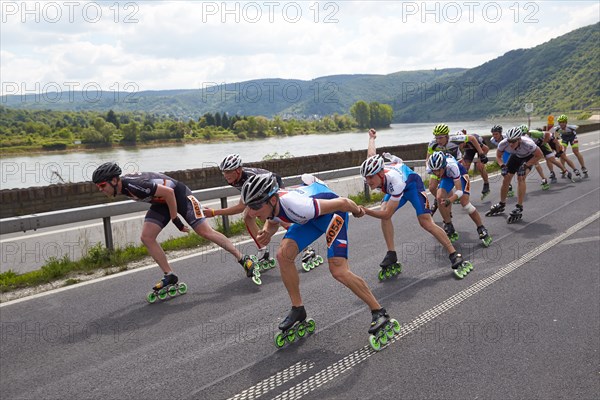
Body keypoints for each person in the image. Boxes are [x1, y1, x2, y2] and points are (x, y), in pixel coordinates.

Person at [241, 173, 398, 350]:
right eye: (250, 206)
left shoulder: (298, 205)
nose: (252, 212)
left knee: (338, 270)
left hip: (332, 215)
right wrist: (268, 232)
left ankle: (379, 312)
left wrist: (357, 211)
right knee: (283, 256)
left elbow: (344, 203)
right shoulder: (273, 205)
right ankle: (298, 309)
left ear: (272, 200)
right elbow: (274, 219)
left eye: (255, 206)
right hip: (310, 219)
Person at [91, 162, 259, 291]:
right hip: (162, 202)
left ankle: (243, 259)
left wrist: (175, 219)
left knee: (204, 231)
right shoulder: (125, 187)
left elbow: (169, 192)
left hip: (180, 196)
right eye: (98, 187)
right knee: (147, 237)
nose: (101, 190)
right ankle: (169, 275)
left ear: (114, 180)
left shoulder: (133, 185)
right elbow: (162, 195)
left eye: (102, 185)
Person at [360, 129, 473, 279]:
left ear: (381, 174)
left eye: (371, 179)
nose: (368, 182)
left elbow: (387, 213)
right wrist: (372, 138)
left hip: (412, 186)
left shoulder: (395, 181)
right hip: (396, 188)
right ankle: (391, 253)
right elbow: (371, 155)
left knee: (425, 222)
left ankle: (454, 254)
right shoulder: (374, 171)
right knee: (383, 212)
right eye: (366, 179)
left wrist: (364, 210)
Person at [427, 151, 492, 247]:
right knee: (439, 197)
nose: (436, 173)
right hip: (446, 176)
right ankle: (449, 225)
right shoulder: (431, 169)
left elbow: (459, 191)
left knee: (465, 203)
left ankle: (481, 228)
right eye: (434, 171)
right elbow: (434, 182)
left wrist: (450, 200)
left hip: (460, 175)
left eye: (438, 170)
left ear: (444, 166)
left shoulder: (452, 167)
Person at [486, 127, 544, 223]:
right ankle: (502, 203)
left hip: (528, 157)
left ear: (519, 139)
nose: (511, 144)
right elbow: (498, 156)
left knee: (521, 177)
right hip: (516, 156)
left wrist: (526, 165)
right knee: (506, 179)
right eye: (509, 141)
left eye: (513, 141)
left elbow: (539, 155)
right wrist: (502, 166)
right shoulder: (503, 143)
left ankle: (519, 207)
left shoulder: (528, 144)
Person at [427, 124, 486, 214]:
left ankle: (445, 200)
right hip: (440, 167)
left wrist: (481, 154)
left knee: (460, 195)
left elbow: (472, 138)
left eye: (441, 138)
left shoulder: (455, 139)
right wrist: (430, 169)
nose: (438, 140)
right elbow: (427, 158)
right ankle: (440, 199)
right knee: (431, 187)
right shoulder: (432, 144)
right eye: (436, 138)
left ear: (447, 136)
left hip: (455, 165)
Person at [458, 130, 491, 200]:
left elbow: (486, 149)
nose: (460, 145)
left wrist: (480, 159)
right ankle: (462, 190)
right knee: (464, 168)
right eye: (458, 144)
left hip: (480, 148)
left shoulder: (472, 140)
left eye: (461, 143)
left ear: (464, 140)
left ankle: (486, 184)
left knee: (480, 166)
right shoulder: (456, 143)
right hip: (470, 150)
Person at [489, 125, 515, 197]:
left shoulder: (507, 137)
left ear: (500, 133)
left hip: (513, 151)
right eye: (493, 134)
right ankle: (509, 186)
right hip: (505, 152)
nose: (494, 136)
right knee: (505, 169)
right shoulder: (492, 140)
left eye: (496, 134)